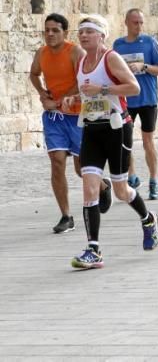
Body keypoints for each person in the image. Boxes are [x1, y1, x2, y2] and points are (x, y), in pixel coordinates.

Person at [64, 14, 158, 270]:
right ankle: (93, 249)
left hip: (117, 129)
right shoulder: (82, 61)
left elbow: (133, 88)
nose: (83, 36)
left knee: (121, 190)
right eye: (81, 31)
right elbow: (86, 92)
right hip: (93, 129)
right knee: (89, 188)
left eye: (89, 32)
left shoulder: (111, 58)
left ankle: (148, 218)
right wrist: (73, 99)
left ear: (101, 35)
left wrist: (104, 91)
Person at [29, 13, 112, 234]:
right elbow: (34, 74)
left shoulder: (75, 52)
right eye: (46, 30)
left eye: (55, 30)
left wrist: (66, 97)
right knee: (56, 162)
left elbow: (85, 79)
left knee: (81, 167)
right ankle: (66, 216)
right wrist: (42, 94)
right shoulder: (41, 53)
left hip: (78, 115)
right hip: (55, 117)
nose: (50, 34)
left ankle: (104, 186)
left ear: (65, 33)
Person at [113, 9, 158, 200]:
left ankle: (154, 180)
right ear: (126, 22)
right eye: (135, 22)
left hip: (148, 99)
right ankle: (132, 176)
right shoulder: (118, 45)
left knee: (147, 141)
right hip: (126, 99)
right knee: (125, 140)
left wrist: (143, 67)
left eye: (141, 22)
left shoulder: (151, 43)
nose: (139, 26)